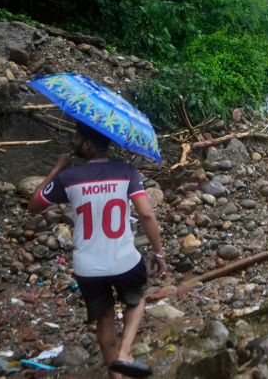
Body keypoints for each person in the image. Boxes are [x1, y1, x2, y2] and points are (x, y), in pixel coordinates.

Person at [29, 121, 165, 379]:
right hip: (124, 260)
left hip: (87, 267)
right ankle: (125, 352)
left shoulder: (68, 178)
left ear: (88, 145)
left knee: (104, 317)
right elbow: (146, 214)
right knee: (137, 298)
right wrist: (158, 253)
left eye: (78, 138)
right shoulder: (127, 171)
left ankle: (115, 375)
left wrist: (58, 169)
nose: (74, 142)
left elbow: (34, 205)